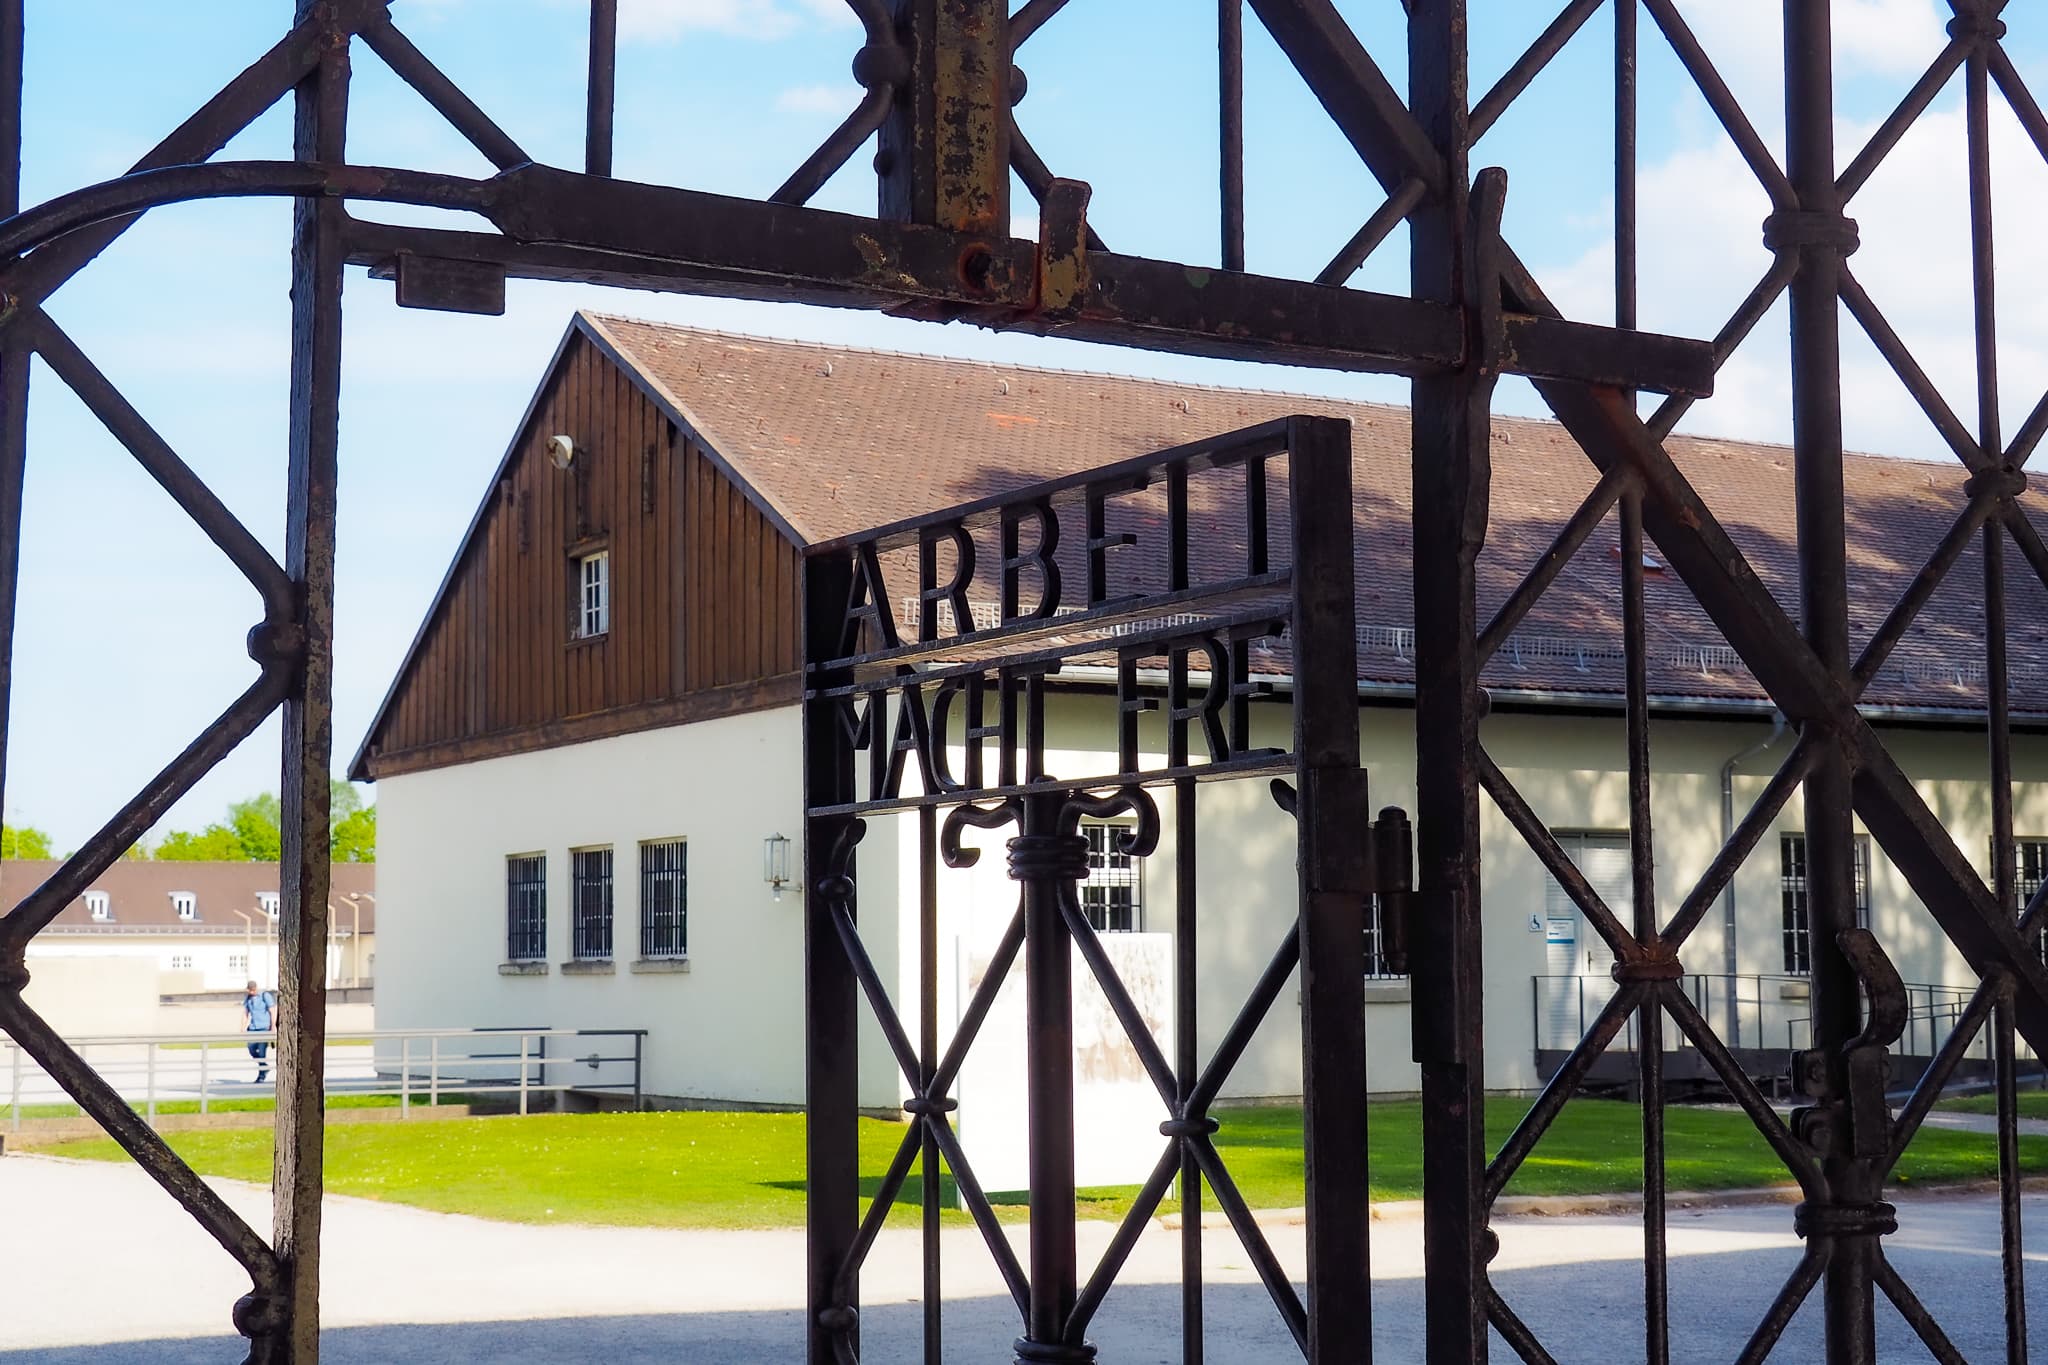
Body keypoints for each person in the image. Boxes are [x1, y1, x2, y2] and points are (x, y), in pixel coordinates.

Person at [241, 980, 276, 1084]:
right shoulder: (248, 998)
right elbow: (245, 1013)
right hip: (253, 1028)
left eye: (251, 990)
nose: (250, 992)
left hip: (264, 1027)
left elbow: (272, 1011)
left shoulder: (264, 996)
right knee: (251, 1048)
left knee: (261, 1052)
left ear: (255, 989)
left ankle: (261, 1075)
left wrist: (273, 1026)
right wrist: (243, 1027)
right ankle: (264, 1066)